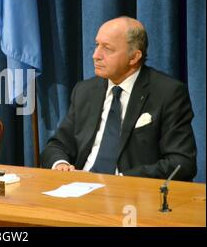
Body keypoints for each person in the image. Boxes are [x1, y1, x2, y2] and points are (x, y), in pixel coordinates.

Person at [41, 17, 197, 181]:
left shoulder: (168, 93)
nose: (95, 55)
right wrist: (60, 164)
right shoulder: (85, 91)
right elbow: (57, 144)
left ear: (134, 57)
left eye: (107, 48)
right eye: (96, 45)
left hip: (132, 195)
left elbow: (182, 163)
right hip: (80, 187)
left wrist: (120, 179)